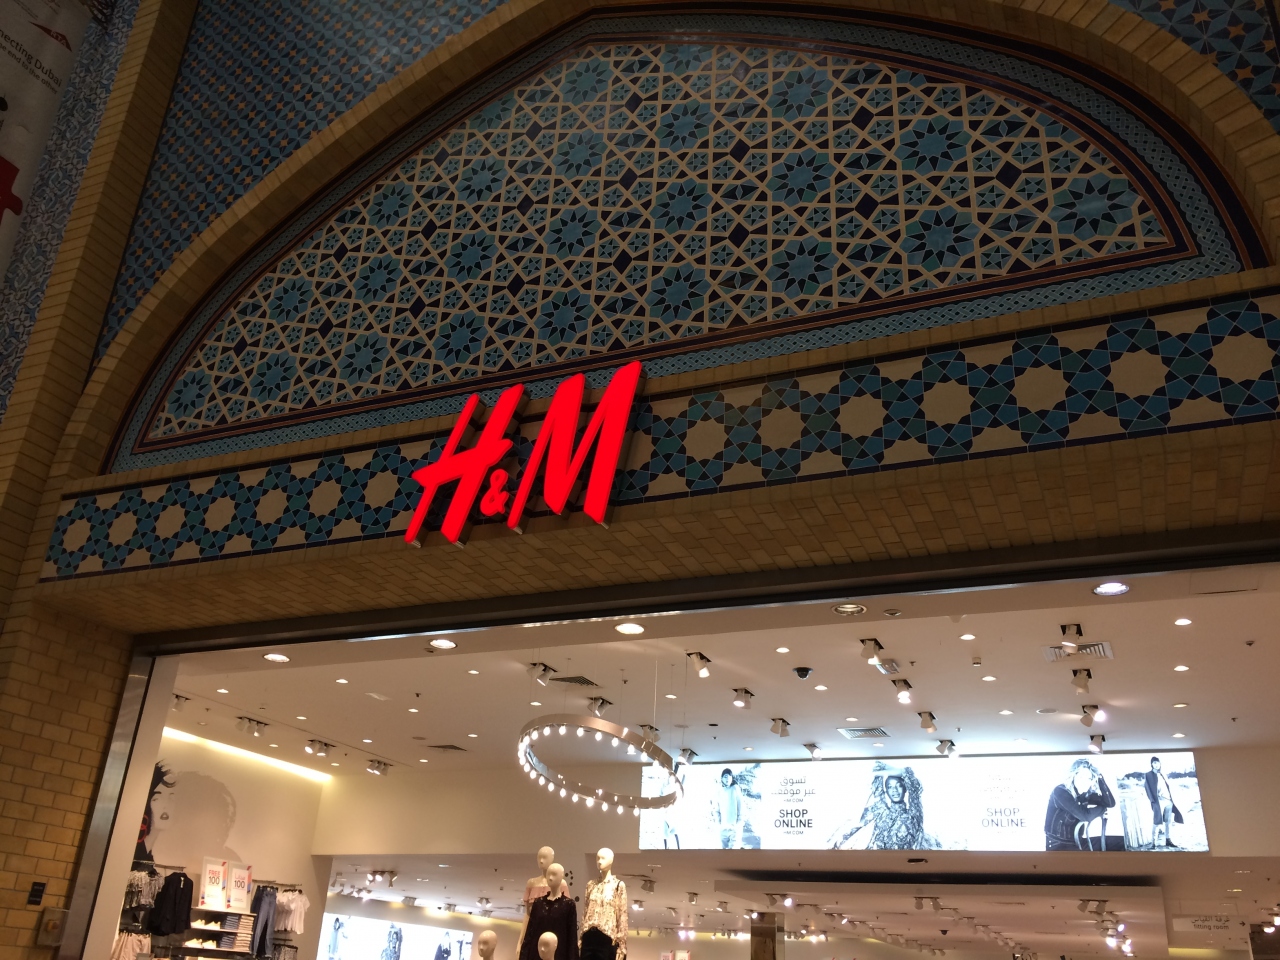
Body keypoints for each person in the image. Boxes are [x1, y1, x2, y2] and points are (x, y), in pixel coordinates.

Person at [829, 764, 939, 850]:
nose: (894, 790)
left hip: (909, 867)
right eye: (890, 787)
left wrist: (888, 768)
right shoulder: (882, 812)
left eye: (898, 786)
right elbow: (877, 784)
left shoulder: (913, 815)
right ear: (886, 790)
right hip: (880, 866)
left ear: (905, 788)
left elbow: (913, 786)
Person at [1044, 758, 1116, 850]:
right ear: (1073, 776)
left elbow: (1110, 803)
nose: (1085, 781)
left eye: (1089, 778)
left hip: (1078, 842)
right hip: (1059, 845)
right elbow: (1085, 815)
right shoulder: (1061, 792)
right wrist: (1102, 809)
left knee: (1120, 842)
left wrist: (1100, 778)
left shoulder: (1084, 793)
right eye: (1081, 777)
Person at [1144, 756, 1183, 848]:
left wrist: (1171, 800)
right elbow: (1147, 788)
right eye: (1154, 763)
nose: (1156, 765)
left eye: (1157, 763)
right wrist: (1153, 801)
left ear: (1160, 764)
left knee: (1168, 822)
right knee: (1157, 821)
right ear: (1151, 764)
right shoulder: (1148, 775)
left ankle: (1168, 840)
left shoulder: (1163, 774)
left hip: (1168, 801)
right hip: (1159, 801)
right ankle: (1153, 843)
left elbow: (1168, 787)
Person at [712, 768, 744, 848]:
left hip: (734, 829)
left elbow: (741, 808)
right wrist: (719, 824)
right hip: (723, 829)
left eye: (730, 777)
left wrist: (738, 824)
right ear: (721, 778)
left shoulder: (735, 789)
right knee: (722, 852)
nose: (727, 779)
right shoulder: (718, 791)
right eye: (725, 777)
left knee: (733, 852)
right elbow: (716, 810)